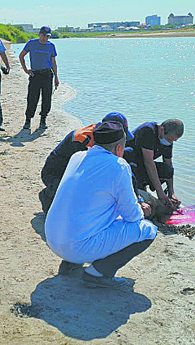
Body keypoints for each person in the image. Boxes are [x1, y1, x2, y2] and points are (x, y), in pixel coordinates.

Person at [45, 121, 157, 288]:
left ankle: (71, 263)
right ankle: (98, 273)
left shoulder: (77, 156)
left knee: (93, 210)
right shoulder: (118, 166)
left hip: (53, 239)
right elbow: (132, 216)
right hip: (76, 246)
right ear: (119, 148)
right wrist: (142, 209)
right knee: (148, 230)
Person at [39, 112, 134, 214]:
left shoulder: (104, 138)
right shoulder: (82, 139)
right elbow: (82, 174)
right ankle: (48, 195)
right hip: (55, 174)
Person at [123, 119, 184, 208]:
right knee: (132, 158)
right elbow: (149, 163)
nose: (170, 142)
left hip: (144, 165)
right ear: (161, 129)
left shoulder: (168, 140)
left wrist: (171, 192)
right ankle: (138, 187)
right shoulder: (148, 130)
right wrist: (160, 193)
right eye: (169, 139)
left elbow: (168, 163)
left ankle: (144, 185)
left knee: (168, 170)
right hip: (132, 164)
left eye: (174, 141)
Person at [19, 26, 59, 130]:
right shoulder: (32, 43)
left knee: (47, 98)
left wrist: (56, 77)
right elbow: (21, 56)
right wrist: (26, 70)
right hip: (35, 74)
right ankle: (28, 120)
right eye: (44, 35)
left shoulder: (51, 46)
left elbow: (53, 62)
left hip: (47, 74)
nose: (45, 38)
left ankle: (43, 120)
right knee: (32, 98)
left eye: (48, 36)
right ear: (39, 34)